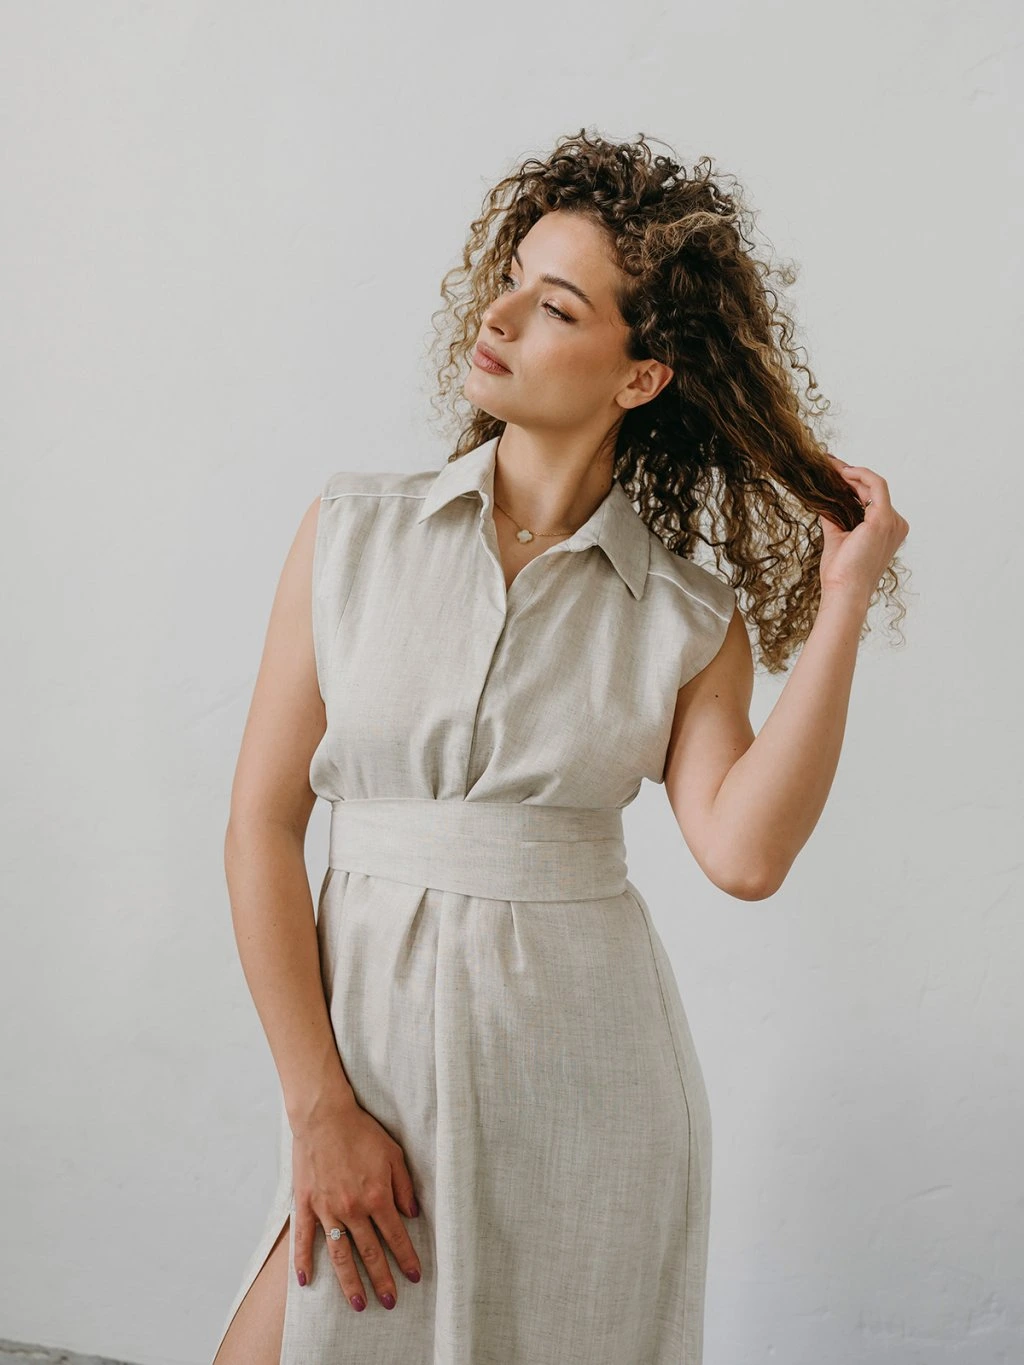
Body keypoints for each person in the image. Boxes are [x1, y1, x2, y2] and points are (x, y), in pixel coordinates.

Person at [210, 129, 909, 1365]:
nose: (499, 315)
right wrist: (317, 1108)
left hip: (587, 1105)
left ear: (640, 378)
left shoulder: (685, 616)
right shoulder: (351, 535)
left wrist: (843, 596)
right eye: (511, 279)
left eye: (556, 305)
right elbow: (262, 826)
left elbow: (744, 854)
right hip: (370, 1086)